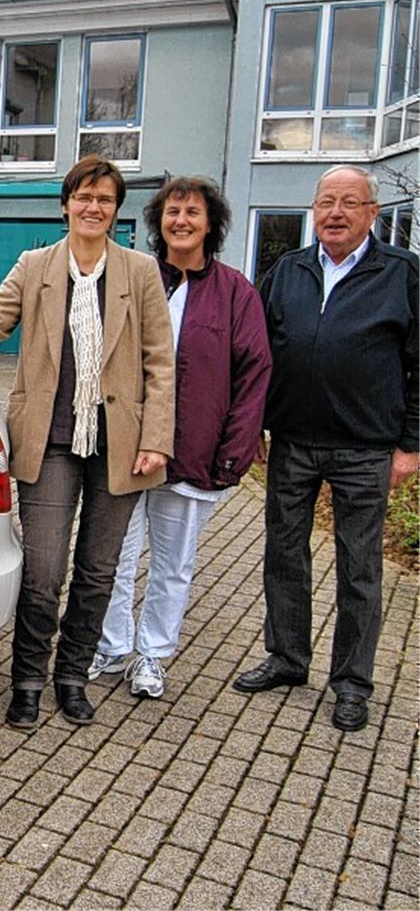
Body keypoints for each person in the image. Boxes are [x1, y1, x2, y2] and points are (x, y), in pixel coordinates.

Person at [0, 155, 174, 728]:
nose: (93, 206)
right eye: (84, 196)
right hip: (50, 442)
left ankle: (73, 678)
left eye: (105, 199)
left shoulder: (140, 273)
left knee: (99, 571)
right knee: (43, 571)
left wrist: (157, 437)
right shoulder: (35, 266)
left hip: (120, 445)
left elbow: (160, 361)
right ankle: (28, 681)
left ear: (115, 210)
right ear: (65, 204)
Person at [232, 164, 418, 732]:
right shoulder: (287, 270)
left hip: (366, 447)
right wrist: (254, 423)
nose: (336, 213)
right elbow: (258, 355)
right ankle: (288, 659)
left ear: (372, 214)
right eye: (327, 202)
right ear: (313, 211)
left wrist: (410, 445)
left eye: (350, 202)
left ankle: (352, 682)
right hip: (293, 441)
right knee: (284, 556)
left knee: (358, 567)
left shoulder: (403, 274)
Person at [89, 177, 272, 699]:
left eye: (192, 212)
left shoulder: (236, 292)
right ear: (158, 222)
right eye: (172, 212)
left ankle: (152, 654)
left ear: (210, 224)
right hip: (124, 448)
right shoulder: (134, 276)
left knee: (173, 564)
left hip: (194, 452)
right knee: (115, 557)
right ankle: (112, 643)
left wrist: (233, 455)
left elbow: (253, 373)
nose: (181, 221)